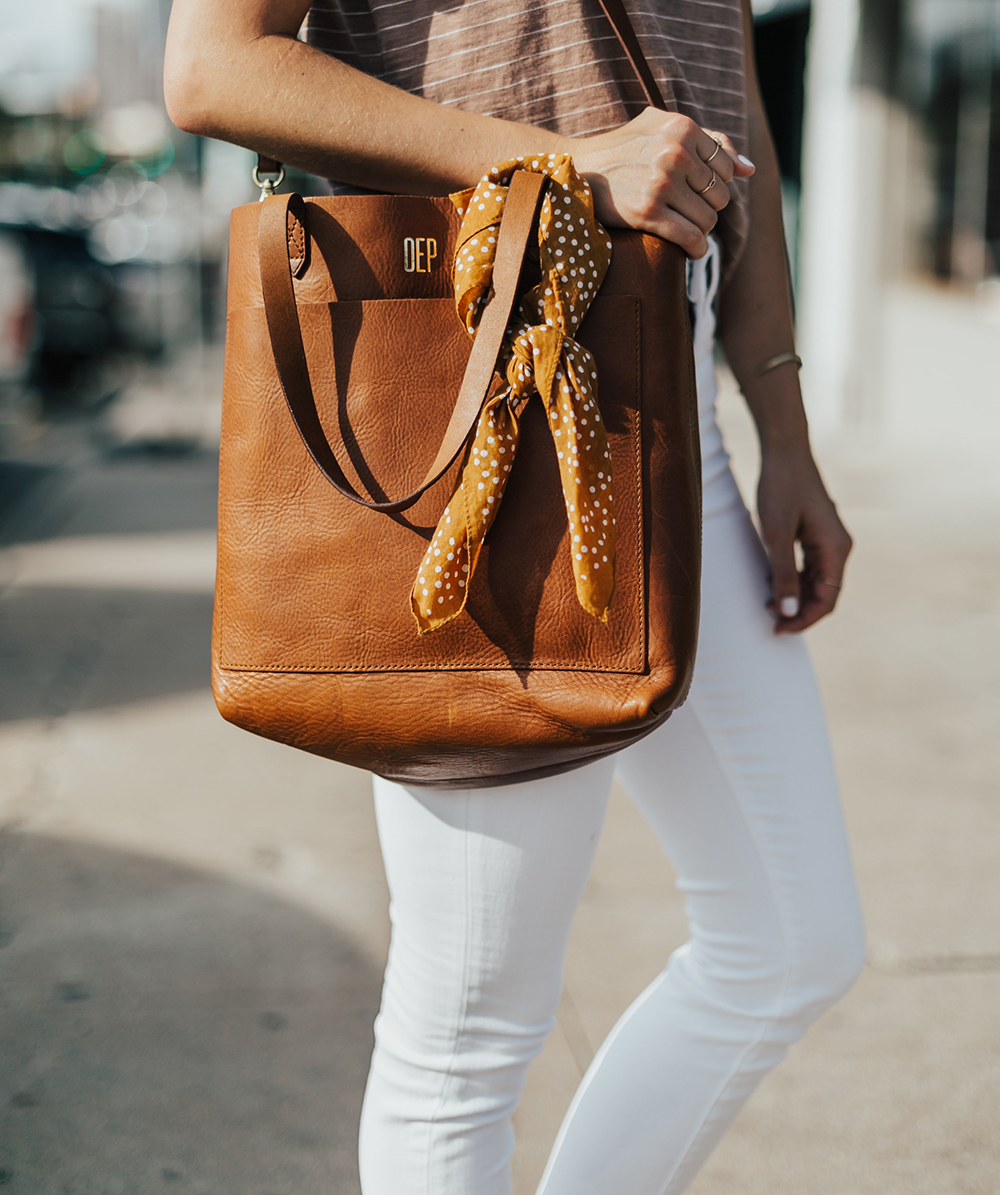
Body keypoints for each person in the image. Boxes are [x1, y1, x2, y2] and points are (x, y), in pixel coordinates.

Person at [164, 2, 866, 1192]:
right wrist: (557, 163)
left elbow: (727, 109)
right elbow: (213, 68)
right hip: (487, 398)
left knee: (796, 940)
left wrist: (778, 427)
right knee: (468, 1034)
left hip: (668, 399)